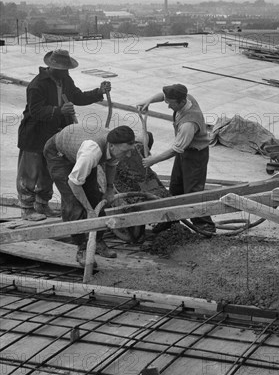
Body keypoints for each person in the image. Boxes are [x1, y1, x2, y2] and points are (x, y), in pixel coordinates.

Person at [17, 48, 111, 221]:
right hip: (34, 134)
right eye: (63, 69)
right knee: (30, 172)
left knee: (48, 171)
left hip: (55, 135)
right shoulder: (37, 85)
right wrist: (59, 111)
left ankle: (42, 205)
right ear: (52, 67)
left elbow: (77, 96)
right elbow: (36, 111)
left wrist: (98, 92)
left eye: (67, 69)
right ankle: (27, 208)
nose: (66, 72)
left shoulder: (64, 79)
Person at [43, 124, 136, 266]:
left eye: (130, 151)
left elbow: (111, 165)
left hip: (79, 152)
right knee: (74, 203)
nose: (128, 155)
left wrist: (109, 189)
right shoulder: (92, 152)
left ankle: (97, 241)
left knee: (95, 197)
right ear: (111, 146)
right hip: (59, 154)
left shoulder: (115, 145)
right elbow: (74, 183)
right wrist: (88, 210)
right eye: (126, 151)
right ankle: (81, 248)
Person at [136, 84, 216, 235]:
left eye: (171, 104)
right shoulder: (186, 98)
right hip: (184, 152)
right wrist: (149, 101)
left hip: (195, 155)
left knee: (192, 191)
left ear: (180, 102)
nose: (168, 106)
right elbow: (163, 96)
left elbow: (176, 149)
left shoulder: (189, 123)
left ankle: (205, 225)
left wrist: (153, 160)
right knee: (175, 187)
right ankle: (170, 221)